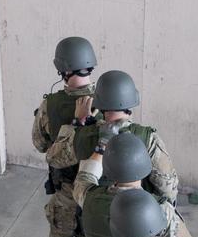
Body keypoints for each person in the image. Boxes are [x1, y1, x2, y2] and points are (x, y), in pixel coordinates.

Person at [46, 69, 179, 207]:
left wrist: (77, 123)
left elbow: (53, 158)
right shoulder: (148, 138)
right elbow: (168, 188)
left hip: (93, 214)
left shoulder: (81, 135)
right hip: (134, 215)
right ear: (132, 101)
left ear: (98, 103)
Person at [73, 131, 196, 237]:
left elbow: (84, 177)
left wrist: (101, 148)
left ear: (107, 169)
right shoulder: (160, 209)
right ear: (145, 165)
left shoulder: (88, 198)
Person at [32, 37, 98, 237]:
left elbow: (40, 144)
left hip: (67, 189)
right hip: (97, 191)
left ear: (61, 68)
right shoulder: (111, 102)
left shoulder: (50, 104)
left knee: (60, 235)